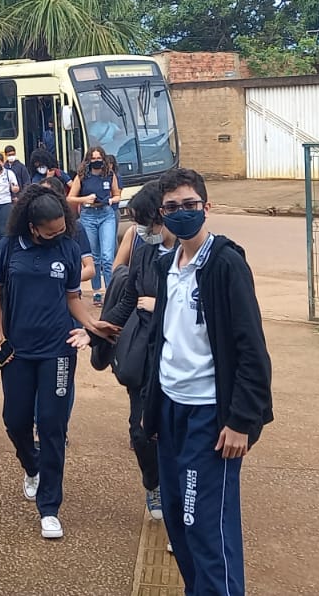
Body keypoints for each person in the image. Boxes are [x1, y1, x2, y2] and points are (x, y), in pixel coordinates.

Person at [142, 168, 274, 595]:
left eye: (190, 205)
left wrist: (240, 420)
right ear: (162, 214)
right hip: (171, 410)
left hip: (210, 417)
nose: (182, 213)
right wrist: (152, 411)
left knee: (206, 527)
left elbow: (251, 349)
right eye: (172, 207)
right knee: (179, 522)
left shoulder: (225, 264)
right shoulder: (166, 266)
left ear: (206, 207)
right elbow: (163, 341)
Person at [0, 185, 109, 540]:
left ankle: (50, 507)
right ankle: (32, 465)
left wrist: (91, 325)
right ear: (32, 226)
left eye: (62, 228)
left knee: (53, 426)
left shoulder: (68, 248)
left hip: (58, 350)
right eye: (51, 231)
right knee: (15, 420)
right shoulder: (10, 247)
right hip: (17, 351)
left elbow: (72, 297)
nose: (59, 235)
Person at [104, 181, 174, 521]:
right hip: (143, 353)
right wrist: (99, 329)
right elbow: (129, 298)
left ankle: (176, 497)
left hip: (176, 356)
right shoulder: (144, 251)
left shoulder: (189, 256)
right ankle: (153, 483)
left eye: (147, 224)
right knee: (141, 431)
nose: (143, 231)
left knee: (174, 432)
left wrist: (160, 306)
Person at [69, 146, 122, 307]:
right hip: (88, 215)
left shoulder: (109, 174)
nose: (96, 161)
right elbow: (70, 197)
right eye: (93, 158)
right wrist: (85, 199)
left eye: (99, 158)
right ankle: (97, 291)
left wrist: (111, 200)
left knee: (107, 256)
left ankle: (111, 292)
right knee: (94, 257)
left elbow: (117, 194)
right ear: (88, 160)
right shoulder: (82, 176)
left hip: (106, 214)